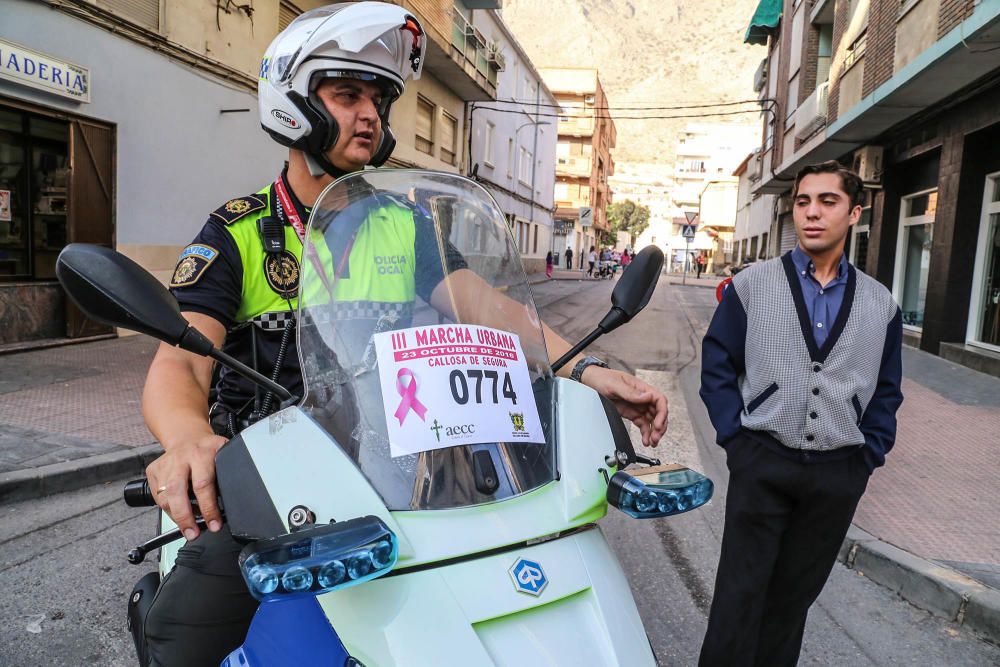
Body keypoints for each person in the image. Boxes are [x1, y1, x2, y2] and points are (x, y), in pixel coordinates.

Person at [138, 5, 669, 665]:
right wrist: (188, 439)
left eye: (381, 99)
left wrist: (585, 368)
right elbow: (181, 362)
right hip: (275, 487)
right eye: (349, 94)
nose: (371, 114)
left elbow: (486, 305)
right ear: (293, 100)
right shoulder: (241, 230)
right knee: (183, 632)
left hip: (393, 474)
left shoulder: (405, 224)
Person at [698, 160, 903, 666]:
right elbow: (718, 364)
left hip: (837, 474)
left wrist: (867, 456)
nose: (812, 213)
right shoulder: (753, 285)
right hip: (762, 462)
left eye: (827, 202)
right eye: (804, 201)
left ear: (854, 212)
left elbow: (888, 390)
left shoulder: (882, 305)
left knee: (791, 604)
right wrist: (736, 440)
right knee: (737, 599)